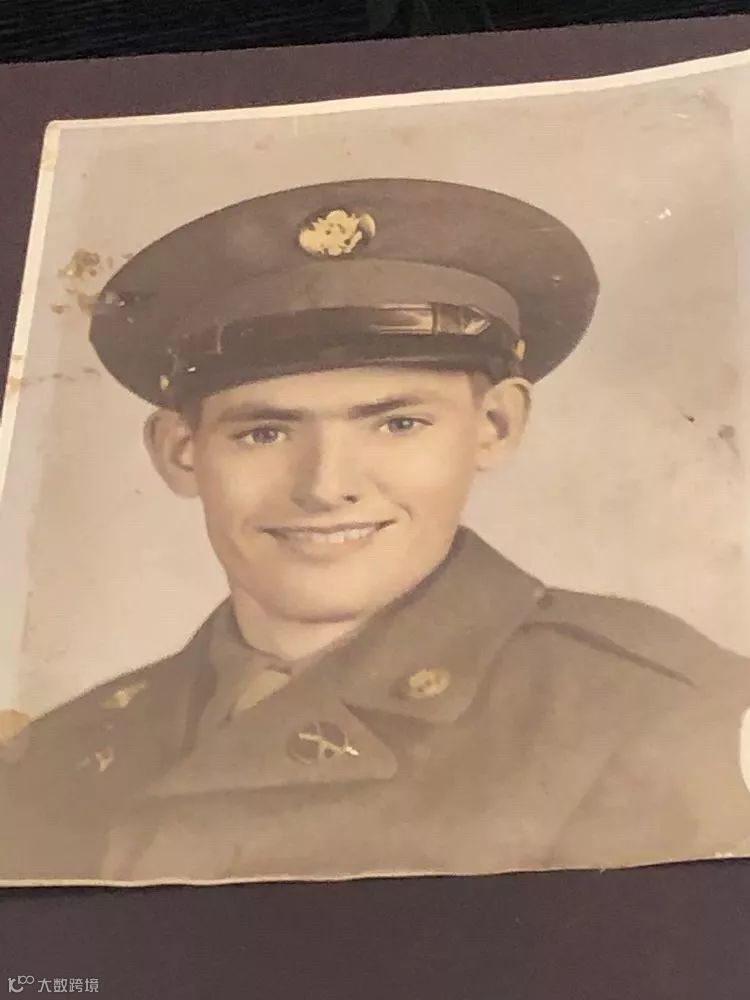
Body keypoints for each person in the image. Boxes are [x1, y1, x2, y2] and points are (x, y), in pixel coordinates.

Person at [2, 178, 749, 884]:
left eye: (397, 424)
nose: (326, 487)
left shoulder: (654, 712)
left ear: (495, 426)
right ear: (179, 452)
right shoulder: (58, 753)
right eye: (264, 433)